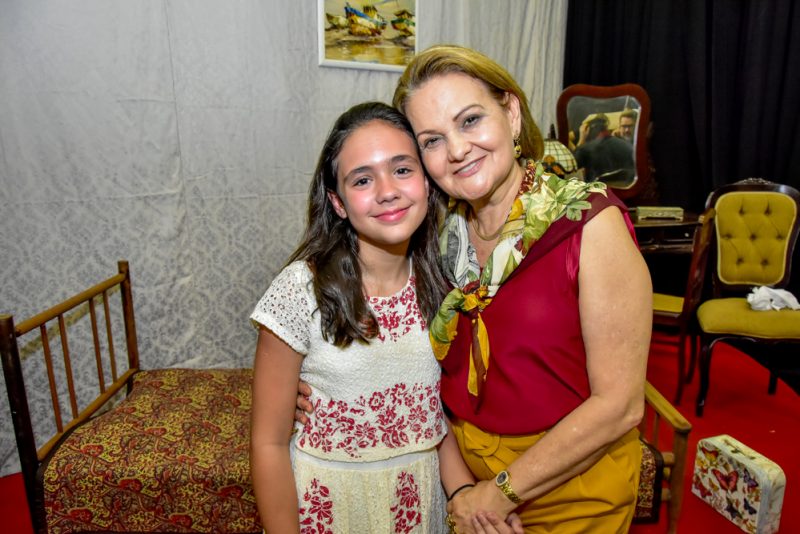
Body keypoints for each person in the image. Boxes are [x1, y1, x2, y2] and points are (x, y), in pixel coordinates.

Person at [250, 101, 522, 533]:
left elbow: (435, 416)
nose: (387, 190)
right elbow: (266, 442)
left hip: (419, 504)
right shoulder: (301, 290)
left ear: (428, 182)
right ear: (338, 203)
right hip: (329, 506)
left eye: (402, 169)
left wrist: (463, 495)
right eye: (362, 179)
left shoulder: (448, 281)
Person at [573, 113, 636, 185]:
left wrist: (581, 140)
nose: (627, 130)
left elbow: (571, 166)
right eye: (623, 126)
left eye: (630, 126)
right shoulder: (627, 147)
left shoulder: (585, 150)